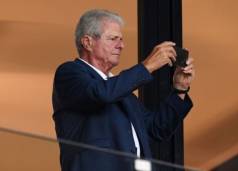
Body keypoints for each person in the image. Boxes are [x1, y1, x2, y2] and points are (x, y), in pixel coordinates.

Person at [52, 9, 195, 171]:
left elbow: (156, 129)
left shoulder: (122, 92)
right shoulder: (69, 73)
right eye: (113, 39)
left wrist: (180, 89)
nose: (121, 45)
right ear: (87, 42)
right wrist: (147, 66)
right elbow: (101, 93)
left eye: (121, 40)